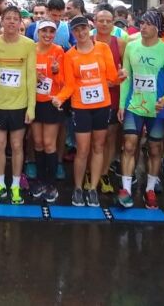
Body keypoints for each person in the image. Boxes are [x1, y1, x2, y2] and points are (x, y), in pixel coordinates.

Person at [53, 16, 119, 207]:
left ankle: (92, 189)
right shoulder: (70, 55)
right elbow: (70, 85)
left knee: (98, 147)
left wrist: (120, 77)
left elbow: (112, 77)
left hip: (102, 106)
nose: (80, 33)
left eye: (83, 29)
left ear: (89, 30)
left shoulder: (103, 48)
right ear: (72, 33)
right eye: (76, 30)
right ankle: (78, 188)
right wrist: (60, 98)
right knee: (82, 149)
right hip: (81, 107)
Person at [118, 11, 164, 209]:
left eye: (148, 24)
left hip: (156, 109)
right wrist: (121, 104)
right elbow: (126, 78)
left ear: (157, 28)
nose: (142, 27)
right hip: (134, 105)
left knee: (155, 149)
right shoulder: (131, 47)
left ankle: (150, 189)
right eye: (141, 23)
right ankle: (125, 188)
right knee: (128, 145)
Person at [0, 6, 36, 204]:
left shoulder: (29, 44)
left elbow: (31, 76)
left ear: (20, 22)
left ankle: (15, 185)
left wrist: (31, 106)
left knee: (16, 146)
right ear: (2, 20)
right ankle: (0, 184)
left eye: (16, 19)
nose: (12, 22)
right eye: (8, 18)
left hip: (19, 104)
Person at [29, 20, 64, 203]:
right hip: (34, 102)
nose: (48, 35)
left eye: (51, 31)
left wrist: (57, 72)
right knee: (38, 142)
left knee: (49, 143)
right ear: (38, 32)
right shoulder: (30, 49)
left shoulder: (58, 51)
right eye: (44, 31)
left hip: (51, 102)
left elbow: (64, 82)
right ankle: (40, 180)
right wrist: (34, 77)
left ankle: (51, 183)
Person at [93, 8, 126, 194]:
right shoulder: (88, 41)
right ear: (95, 22)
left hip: (113, 96)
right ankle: (91, 172)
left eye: (108, 21)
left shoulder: (120, 44)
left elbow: (126, 69)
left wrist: (121, 76)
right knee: (93, 140)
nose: (104, 24)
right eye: (101, 20)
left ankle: (104, 172)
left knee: (110, 137)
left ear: (113, 23)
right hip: (92, 97)